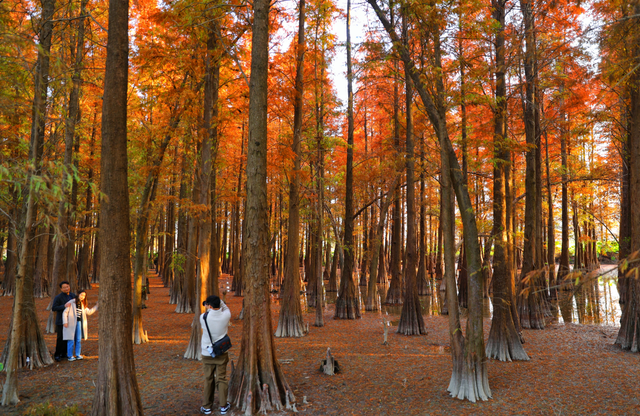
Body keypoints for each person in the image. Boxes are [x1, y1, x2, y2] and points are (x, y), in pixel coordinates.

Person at [200, 295, 231, 415]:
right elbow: (225, 307)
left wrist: (209, 306)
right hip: (221, 352)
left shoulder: (203, 317)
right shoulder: (226, 315)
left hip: (206, 353)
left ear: (209, 306)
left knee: (208, 379)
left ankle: (207, 406)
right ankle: (223, 406)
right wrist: (219, 302)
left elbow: (209, 312)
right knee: (221, 378)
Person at [63, 290, 98, 361]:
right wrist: (65, 322)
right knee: (71, 339)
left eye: (84, 296)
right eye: (81, 295)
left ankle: (78, 354)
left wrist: (97, 306)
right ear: (78, 294)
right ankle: (70, 356)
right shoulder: (71, 302)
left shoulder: (82, 304)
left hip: (79, 323)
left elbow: (89, 312)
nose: (82, 297)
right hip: (71, 323)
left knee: (78, 339)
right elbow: (65, 312)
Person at [51, 281, 75, 361]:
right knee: (60, 338)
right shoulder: (58, 297)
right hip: (61, 321)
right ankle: (57, 354)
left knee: (68, 337)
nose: (66, 288)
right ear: (61, 289)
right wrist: (63, 306)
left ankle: (64, 353)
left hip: (71, 320)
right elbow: (54, 308)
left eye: (67, 286)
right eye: (64, 287)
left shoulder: (73, 295)